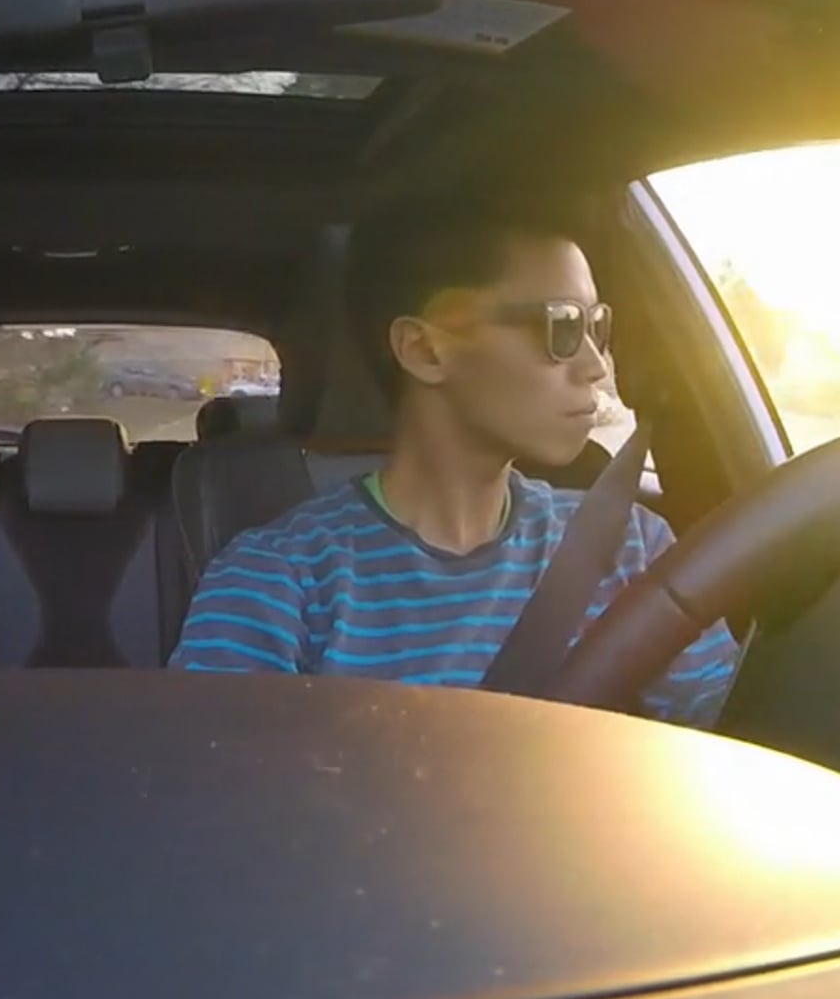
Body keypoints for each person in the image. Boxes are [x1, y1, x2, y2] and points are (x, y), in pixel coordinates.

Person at [166, 197, 740, 727]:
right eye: (562, 326)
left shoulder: (632, 546)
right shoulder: (278, 581)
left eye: (598, 327)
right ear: (425, 350)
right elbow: (216, 785)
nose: (596, 366)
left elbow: (738, 744)